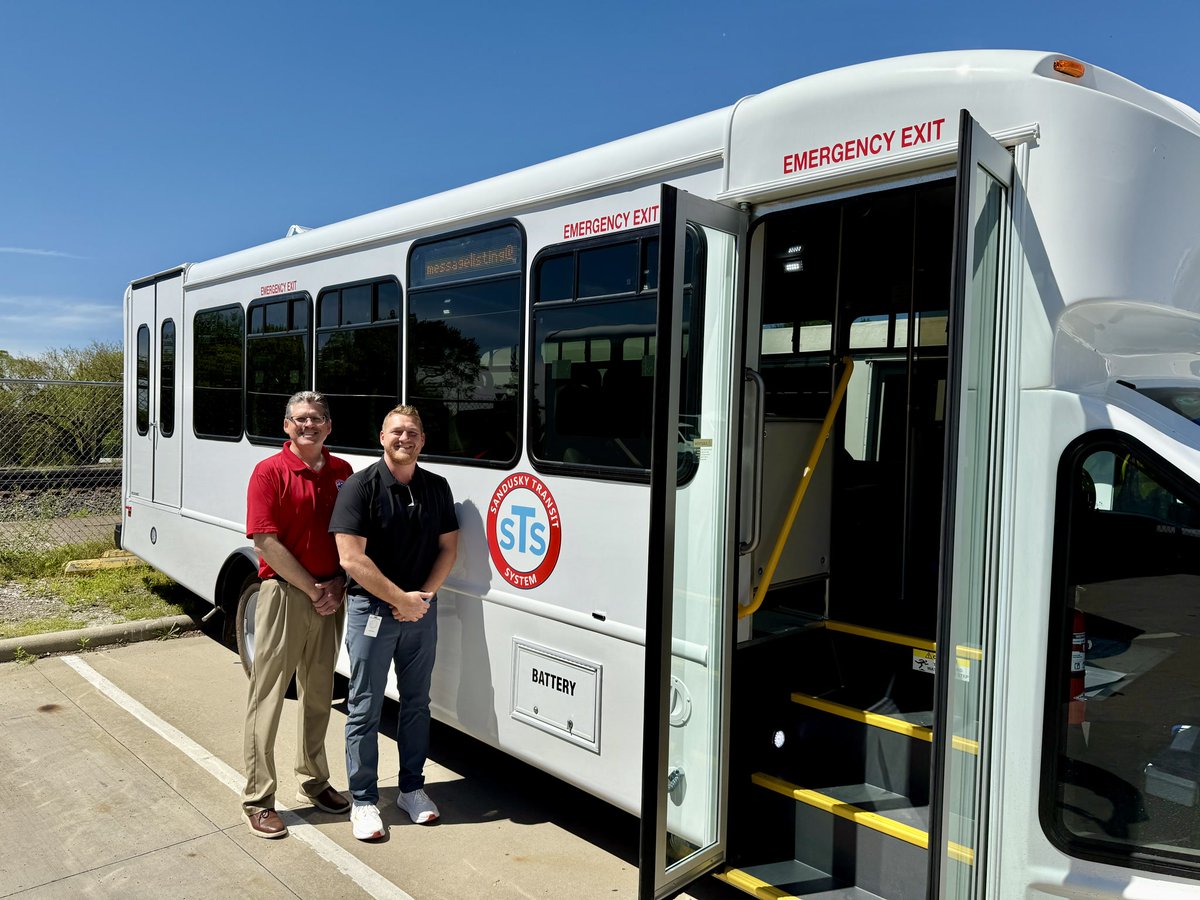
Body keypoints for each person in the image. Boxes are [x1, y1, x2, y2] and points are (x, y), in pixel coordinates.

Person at [331, 404, 459, 841]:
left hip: (420, 612)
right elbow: (351, 557)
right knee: (364, 706)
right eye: (397, 432)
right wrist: (399, 599)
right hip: (372, 613)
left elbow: (448, 550)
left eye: (413, 433)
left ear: (422, 441)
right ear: (381, 437)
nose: (405, 438)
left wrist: (420, 599)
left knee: (417, 703)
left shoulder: (437, 487)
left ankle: (412, 789)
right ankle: (364, 800)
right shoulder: (359, 487)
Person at [241, 391, 353, 838]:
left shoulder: (343, 472)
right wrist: (313, 589)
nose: (309, 425)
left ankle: (314, 779)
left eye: (318, 419)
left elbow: (352, 536)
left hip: (331, 594)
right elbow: (264, 541)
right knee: (267, 696)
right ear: (287, 426)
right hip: (285, 595)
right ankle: (258, 796)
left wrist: (340, 584)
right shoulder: (269, 472)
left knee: (319, 693)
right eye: (301, 419)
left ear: (329, 426)